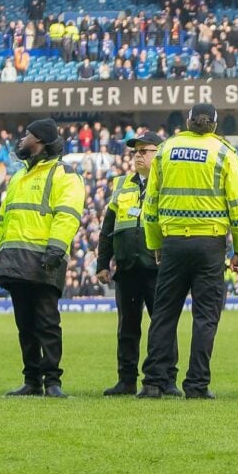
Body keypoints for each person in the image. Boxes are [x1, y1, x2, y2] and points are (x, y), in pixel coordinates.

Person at [138, 103, 238, 399]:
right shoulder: (224, 153)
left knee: (163, 314)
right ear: (214, 125)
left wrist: (155, 245)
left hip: (173, 243)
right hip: (209, 244)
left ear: (187, 121)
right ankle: (197, 385)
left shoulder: (166, 150)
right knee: (205, 316)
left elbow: (150, 205)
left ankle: (153, 382)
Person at [0, 119, 84, 398]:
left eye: (27, 135)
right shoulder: (18, 177)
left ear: (41, 141)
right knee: (25, 324)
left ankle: (52, 381)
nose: (22, 140)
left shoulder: (64, 174)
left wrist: (55, 250)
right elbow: (4, 219)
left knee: (47, 321)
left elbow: (67, 214)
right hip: (15, 260)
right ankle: (32, 379)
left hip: (45, 259)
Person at [96, 131, 175, 396]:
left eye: (144, 151)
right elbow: (108, 229)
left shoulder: (169, 185)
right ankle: (126, 379)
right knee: (127, 328)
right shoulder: (121, 185)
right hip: (127, 267)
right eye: (135, 152)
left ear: (158, 154)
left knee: (163, 327)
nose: (138, 156)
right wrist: (102, 264)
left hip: (157, 268)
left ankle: (167, 380)